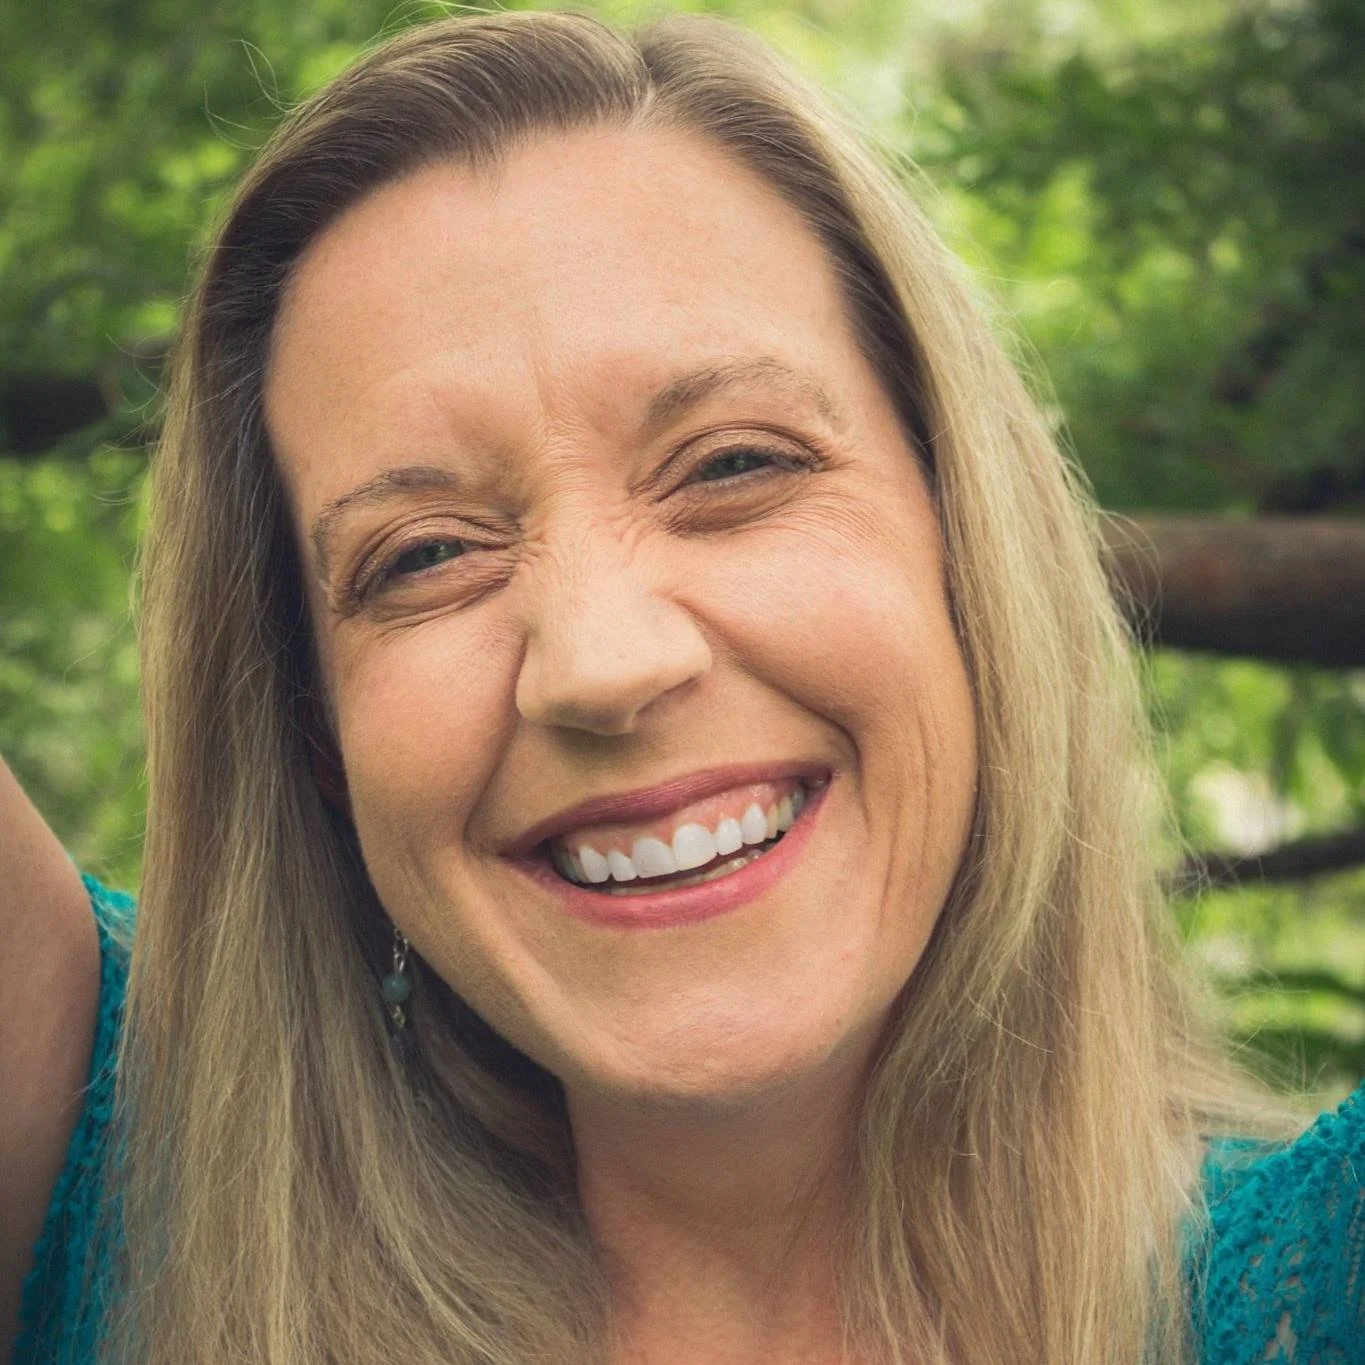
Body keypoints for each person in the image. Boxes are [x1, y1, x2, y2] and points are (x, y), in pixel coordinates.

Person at [2, 9, 1360, 1363]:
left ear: (969, 552)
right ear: (317, 741)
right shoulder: (121, 1183)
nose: (602, 659)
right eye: (422, 556)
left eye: (733, 466)